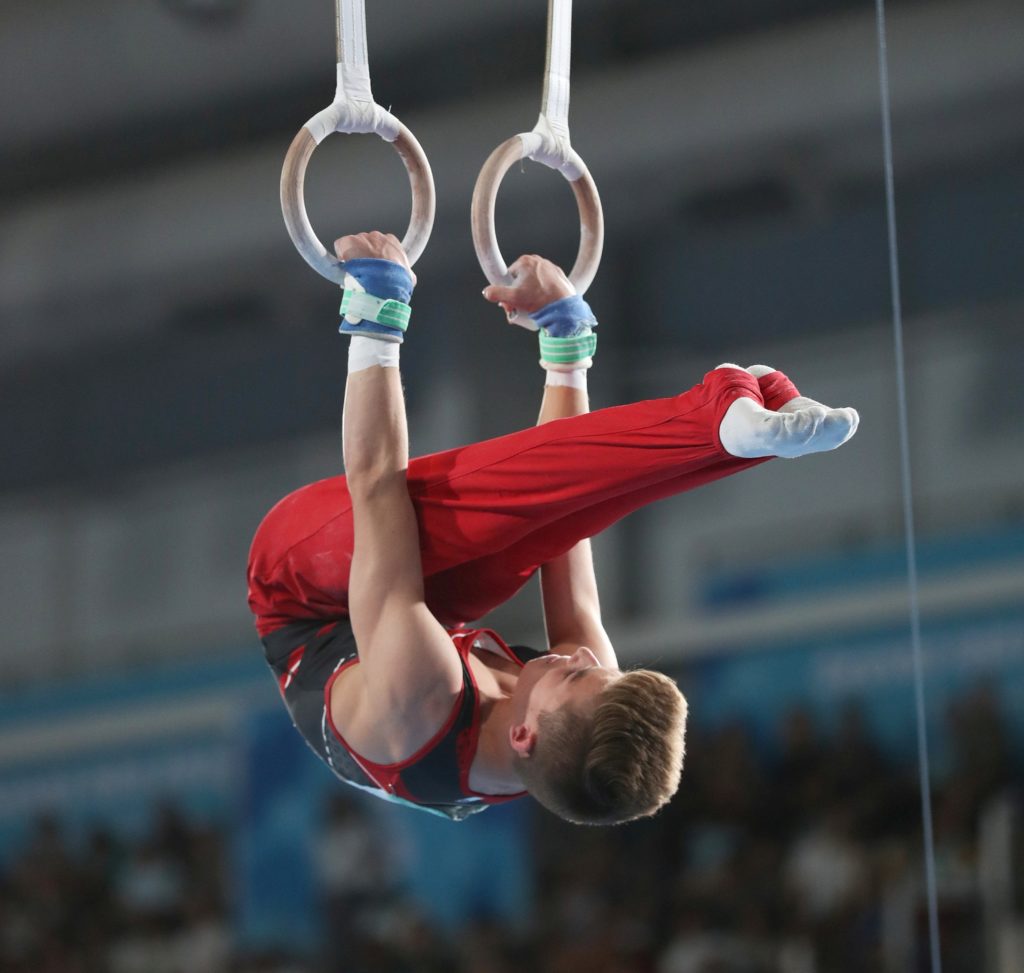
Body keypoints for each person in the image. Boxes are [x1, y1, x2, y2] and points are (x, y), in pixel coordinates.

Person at [247, 231, 859, 825]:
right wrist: (566, 349)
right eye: (600, 668)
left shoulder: (419, 700)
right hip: (423, 612)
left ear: (523, 735)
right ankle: (751, 431)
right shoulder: (575, 726)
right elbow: (565, 520)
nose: (586, 655)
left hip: (299, 592)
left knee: (461, 506)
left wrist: (378, 309)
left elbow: (378, 483)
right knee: (543, 523)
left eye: (575, 671)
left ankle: (720, 419)